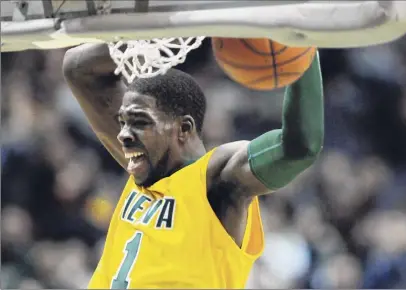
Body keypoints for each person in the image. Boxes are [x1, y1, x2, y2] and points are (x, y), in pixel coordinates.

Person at [62, 42, 324, 289]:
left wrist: (299, 43)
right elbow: (78, 68)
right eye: (122, 122)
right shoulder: (144, 164)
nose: (123, 135)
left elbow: (299, 148)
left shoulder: (216, 180)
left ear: (183, 129)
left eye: (140, 122)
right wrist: (146, 40)